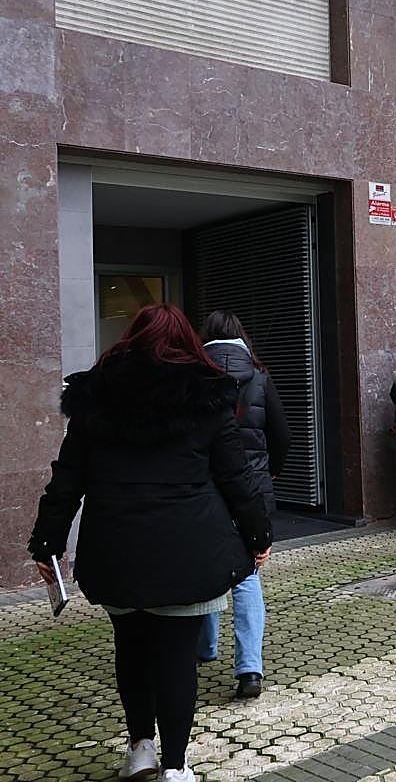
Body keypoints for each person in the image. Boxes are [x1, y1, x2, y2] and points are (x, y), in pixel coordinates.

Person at [28, 304, 271, 782]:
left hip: (116, 552)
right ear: (187, 343)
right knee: (178, 661)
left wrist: (47, 542)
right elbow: (235, 476)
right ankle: (176, 768)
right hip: (189, 553)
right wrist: (258, 536)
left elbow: (67, 477)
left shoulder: (95, 396)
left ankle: (140, 750)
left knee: (131, 650)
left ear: (129, 340)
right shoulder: (207, 395)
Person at [196, 311, 290, 701]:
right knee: (248, 574)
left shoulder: (193, 376)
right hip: (251, 489)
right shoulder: (260, 375)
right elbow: (281, 434)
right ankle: (249, 668)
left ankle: (205, 648)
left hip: (204, 491)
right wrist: (272, 473)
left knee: (204, 567)